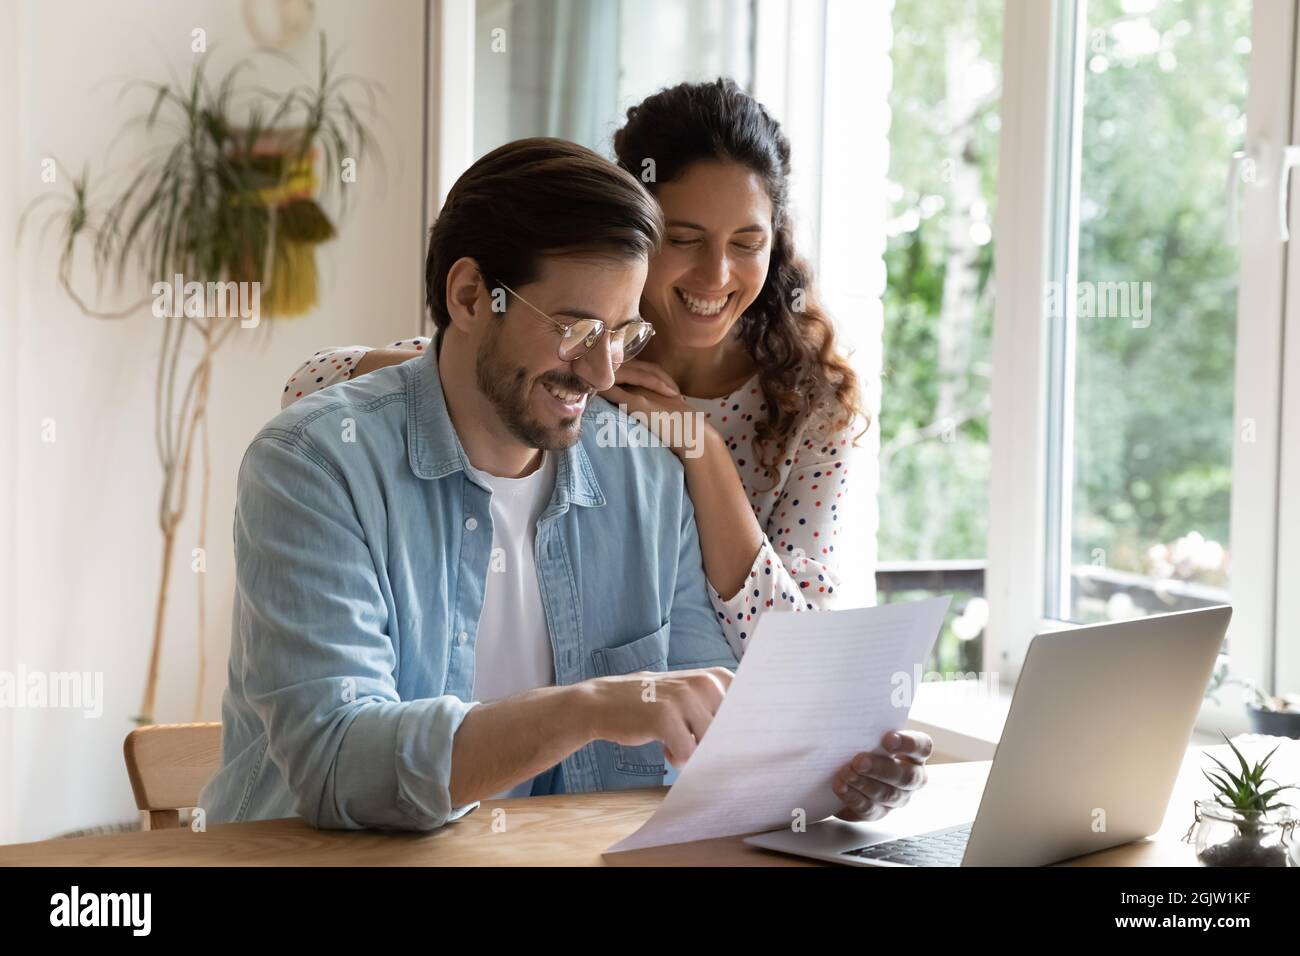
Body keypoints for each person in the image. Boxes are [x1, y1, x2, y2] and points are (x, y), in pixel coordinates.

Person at [203, 136, 931, 832]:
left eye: (623, 335)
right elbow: (338, 766)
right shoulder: (315, 465)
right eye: (579, 331)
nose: (605, 374)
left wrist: (828, 778)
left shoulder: (646, 476)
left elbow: (709, 729)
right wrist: (586, 709)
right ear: (467, 296)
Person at [282, 78, 869, 667]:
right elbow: (309, 387)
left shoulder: (809, 405)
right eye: (685, 239)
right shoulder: (567, 365)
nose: (716, 275)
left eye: (747, 243)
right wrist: (488, 368)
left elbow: (798, 658)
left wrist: (702, 452)